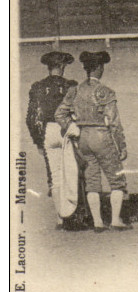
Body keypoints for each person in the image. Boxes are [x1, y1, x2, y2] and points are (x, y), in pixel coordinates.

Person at [55, 51, 131, 232]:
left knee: (92, 180)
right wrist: (121, 145)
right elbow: (114, 123)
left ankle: (97, 222)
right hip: (101, 136)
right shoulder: (105, 91)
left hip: (83, 138)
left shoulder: (75, 91)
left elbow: (59, 114)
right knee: (117, 179)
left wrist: (72, 128)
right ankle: (115, 220)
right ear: (99, 68)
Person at [25, 51, 77, 203]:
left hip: (48, 133)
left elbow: (31, 118)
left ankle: (60, 218)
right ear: (62, 66)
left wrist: (38, 141)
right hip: (67, 130)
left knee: (54, 176)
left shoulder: (38, 87)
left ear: (48, 67)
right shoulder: (70, 85)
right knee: (74, 172)